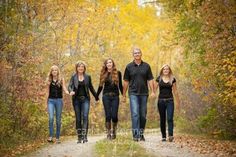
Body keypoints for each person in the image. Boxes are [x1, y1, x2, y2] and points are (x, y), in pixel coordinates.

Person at [123, 47, 155, 141]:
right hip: (133, 93)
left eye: (138, 53)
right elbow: (125, 81)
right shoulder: (129, 67)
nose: (137, 54)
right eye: (135, 53)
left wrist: (153, 91)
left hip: (144, 93)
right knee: (135, 114)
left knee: (143, 115)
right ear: (133, 55)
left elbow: (150, 79)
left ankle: (141, 134)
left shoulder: (147, 66)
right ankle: (136, 135)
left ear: (141, 54)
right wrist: (124, 95)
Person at [68, 61, 98, 143]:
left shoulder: (88, 77)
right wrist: (71, 91)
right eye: (79, 67)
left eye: (82, 67)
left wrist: (96, 96)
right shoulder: (73, 77)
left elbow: (91, 87)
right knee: (78, 118)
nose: (81, 68)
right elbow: (70, 86)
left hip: (85, 99)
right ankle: (79, 137)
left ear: (84, 68)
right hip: (76, 100)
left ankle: (84, 137)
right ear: (76, 68)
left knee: (85, 116)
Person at [97, 58, 123, 140]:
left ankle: (114, 132)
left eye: (110, 62)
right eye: (107, 63)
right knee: (108, 115)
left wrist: (124, 95)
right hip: (106, 96)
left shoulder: (118, 73)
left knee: (114, 116)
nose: (109, 64)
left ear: (113, 64)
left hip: (115, 96)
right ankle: (108, 134)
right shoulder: (103, 73)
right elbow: (100, 86)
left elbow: (121, 86)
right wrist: (96, 95)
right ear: (106, 64)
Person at [155, 64, 180, 142]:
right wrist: (152, 93)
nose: (166, 70)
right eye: (164, 69)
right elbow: (154, 90)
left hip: (170, 101)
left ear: (169, 70)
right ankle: (163, 136)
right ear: (162, 70)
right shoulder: (159, 79)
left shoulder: (172, 79)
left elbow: (175, 91)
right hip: (161, 101)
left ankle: (170, 135)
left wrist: (178, 101)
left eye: (167, 69)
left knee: (169, 118)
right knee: (162, 119)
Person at [46, 65, 69, 144]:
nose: (54, 71)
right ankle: (51, 136)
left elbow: (64, 88)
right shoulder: (49, 80)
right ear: (51, 72)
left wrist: (67, 92)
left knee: (58, 119)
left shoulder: (61, 79)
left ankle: (57, 138)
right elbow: (47, 92)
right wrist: (45, 102)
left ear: (58, 71)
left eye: (56, 70)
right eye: (53, 70)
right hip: (51, 101)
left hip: (59, 101)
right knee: (51, 118)